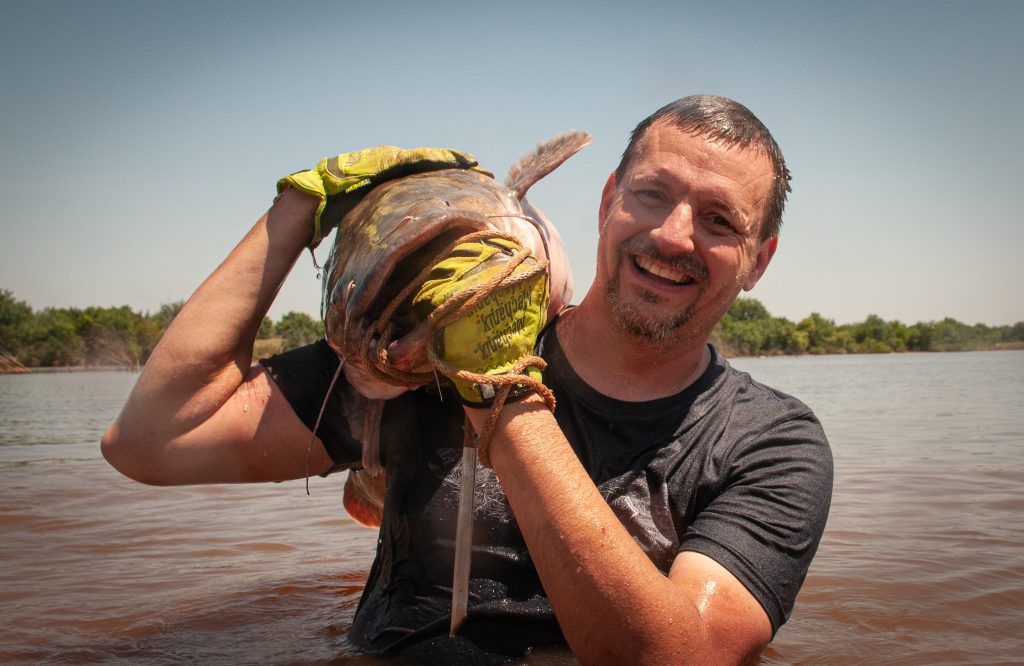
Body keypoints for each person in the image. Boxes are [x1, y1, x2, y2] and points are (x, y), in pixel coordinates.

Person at [102, 94, 833, 665]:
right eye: (652, 194)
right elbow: (151, 441)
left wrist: (500, 389)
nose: (674, 234)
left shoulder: (772, 444)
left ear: (758, 260)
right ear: (608, 198)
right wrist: (299, 207)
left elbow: (676, 658)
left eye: (718, 220)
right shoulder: (426, 352)